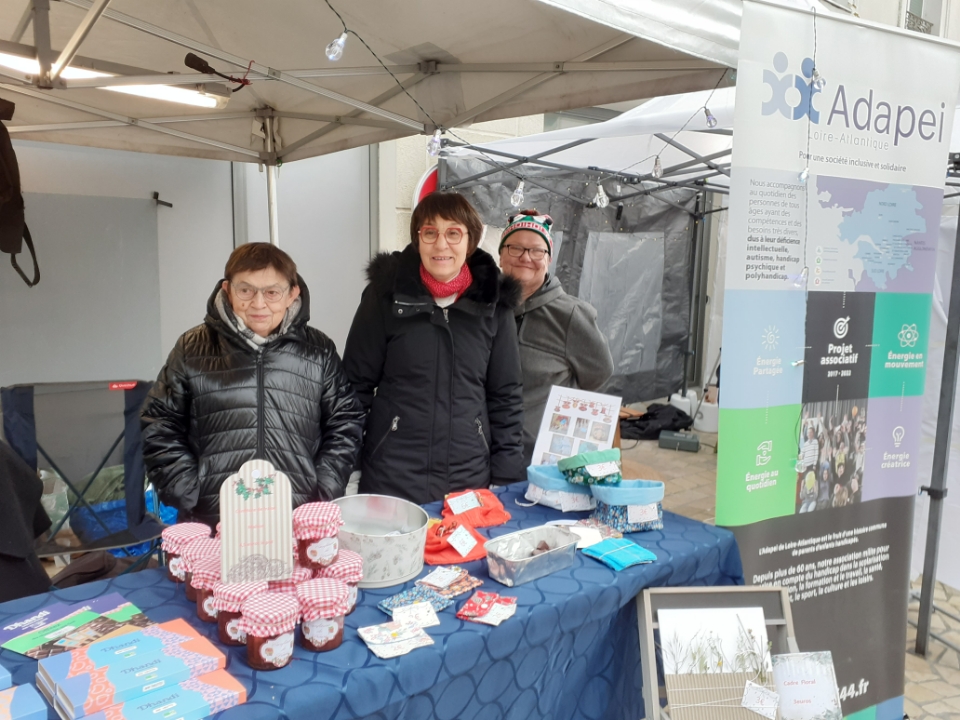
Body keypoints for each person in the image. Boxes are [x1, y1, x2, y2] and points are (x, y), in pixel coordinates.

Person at [141, 243, 365, 527]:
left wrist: (323, 487)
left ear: (292, 294)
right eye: (245, 290)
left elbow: (345, 421)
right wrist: (187, 490)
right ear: (227, 290)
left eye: (272, 292)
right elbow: (159, 422)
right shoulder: (191, 348)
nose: (259, 304)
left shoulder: (318, 350)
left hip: (298, 520)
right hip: (213, 521)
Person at [343, 191, 524, 504]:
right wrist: (349, 465)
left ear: (471, 241)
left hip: (468, 476)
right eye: (430, 232)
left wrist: (506, 474)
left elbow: (505, 396)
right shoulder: (385, 297)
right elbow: (354, 389)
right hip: (391, 475)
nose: (441, 244)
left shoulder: (494, 304)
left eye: (453, 233)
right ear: (418, 239)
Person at [497, 210, 614, 465]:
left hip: (542, 459)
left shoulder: (571, 315)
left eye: (537, 250)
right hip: (486, 452)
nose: (526, 257)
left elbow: (599, 373)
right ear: (501, 256)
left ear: (548, 259)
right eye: (515, 248)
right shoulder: (484, 307)